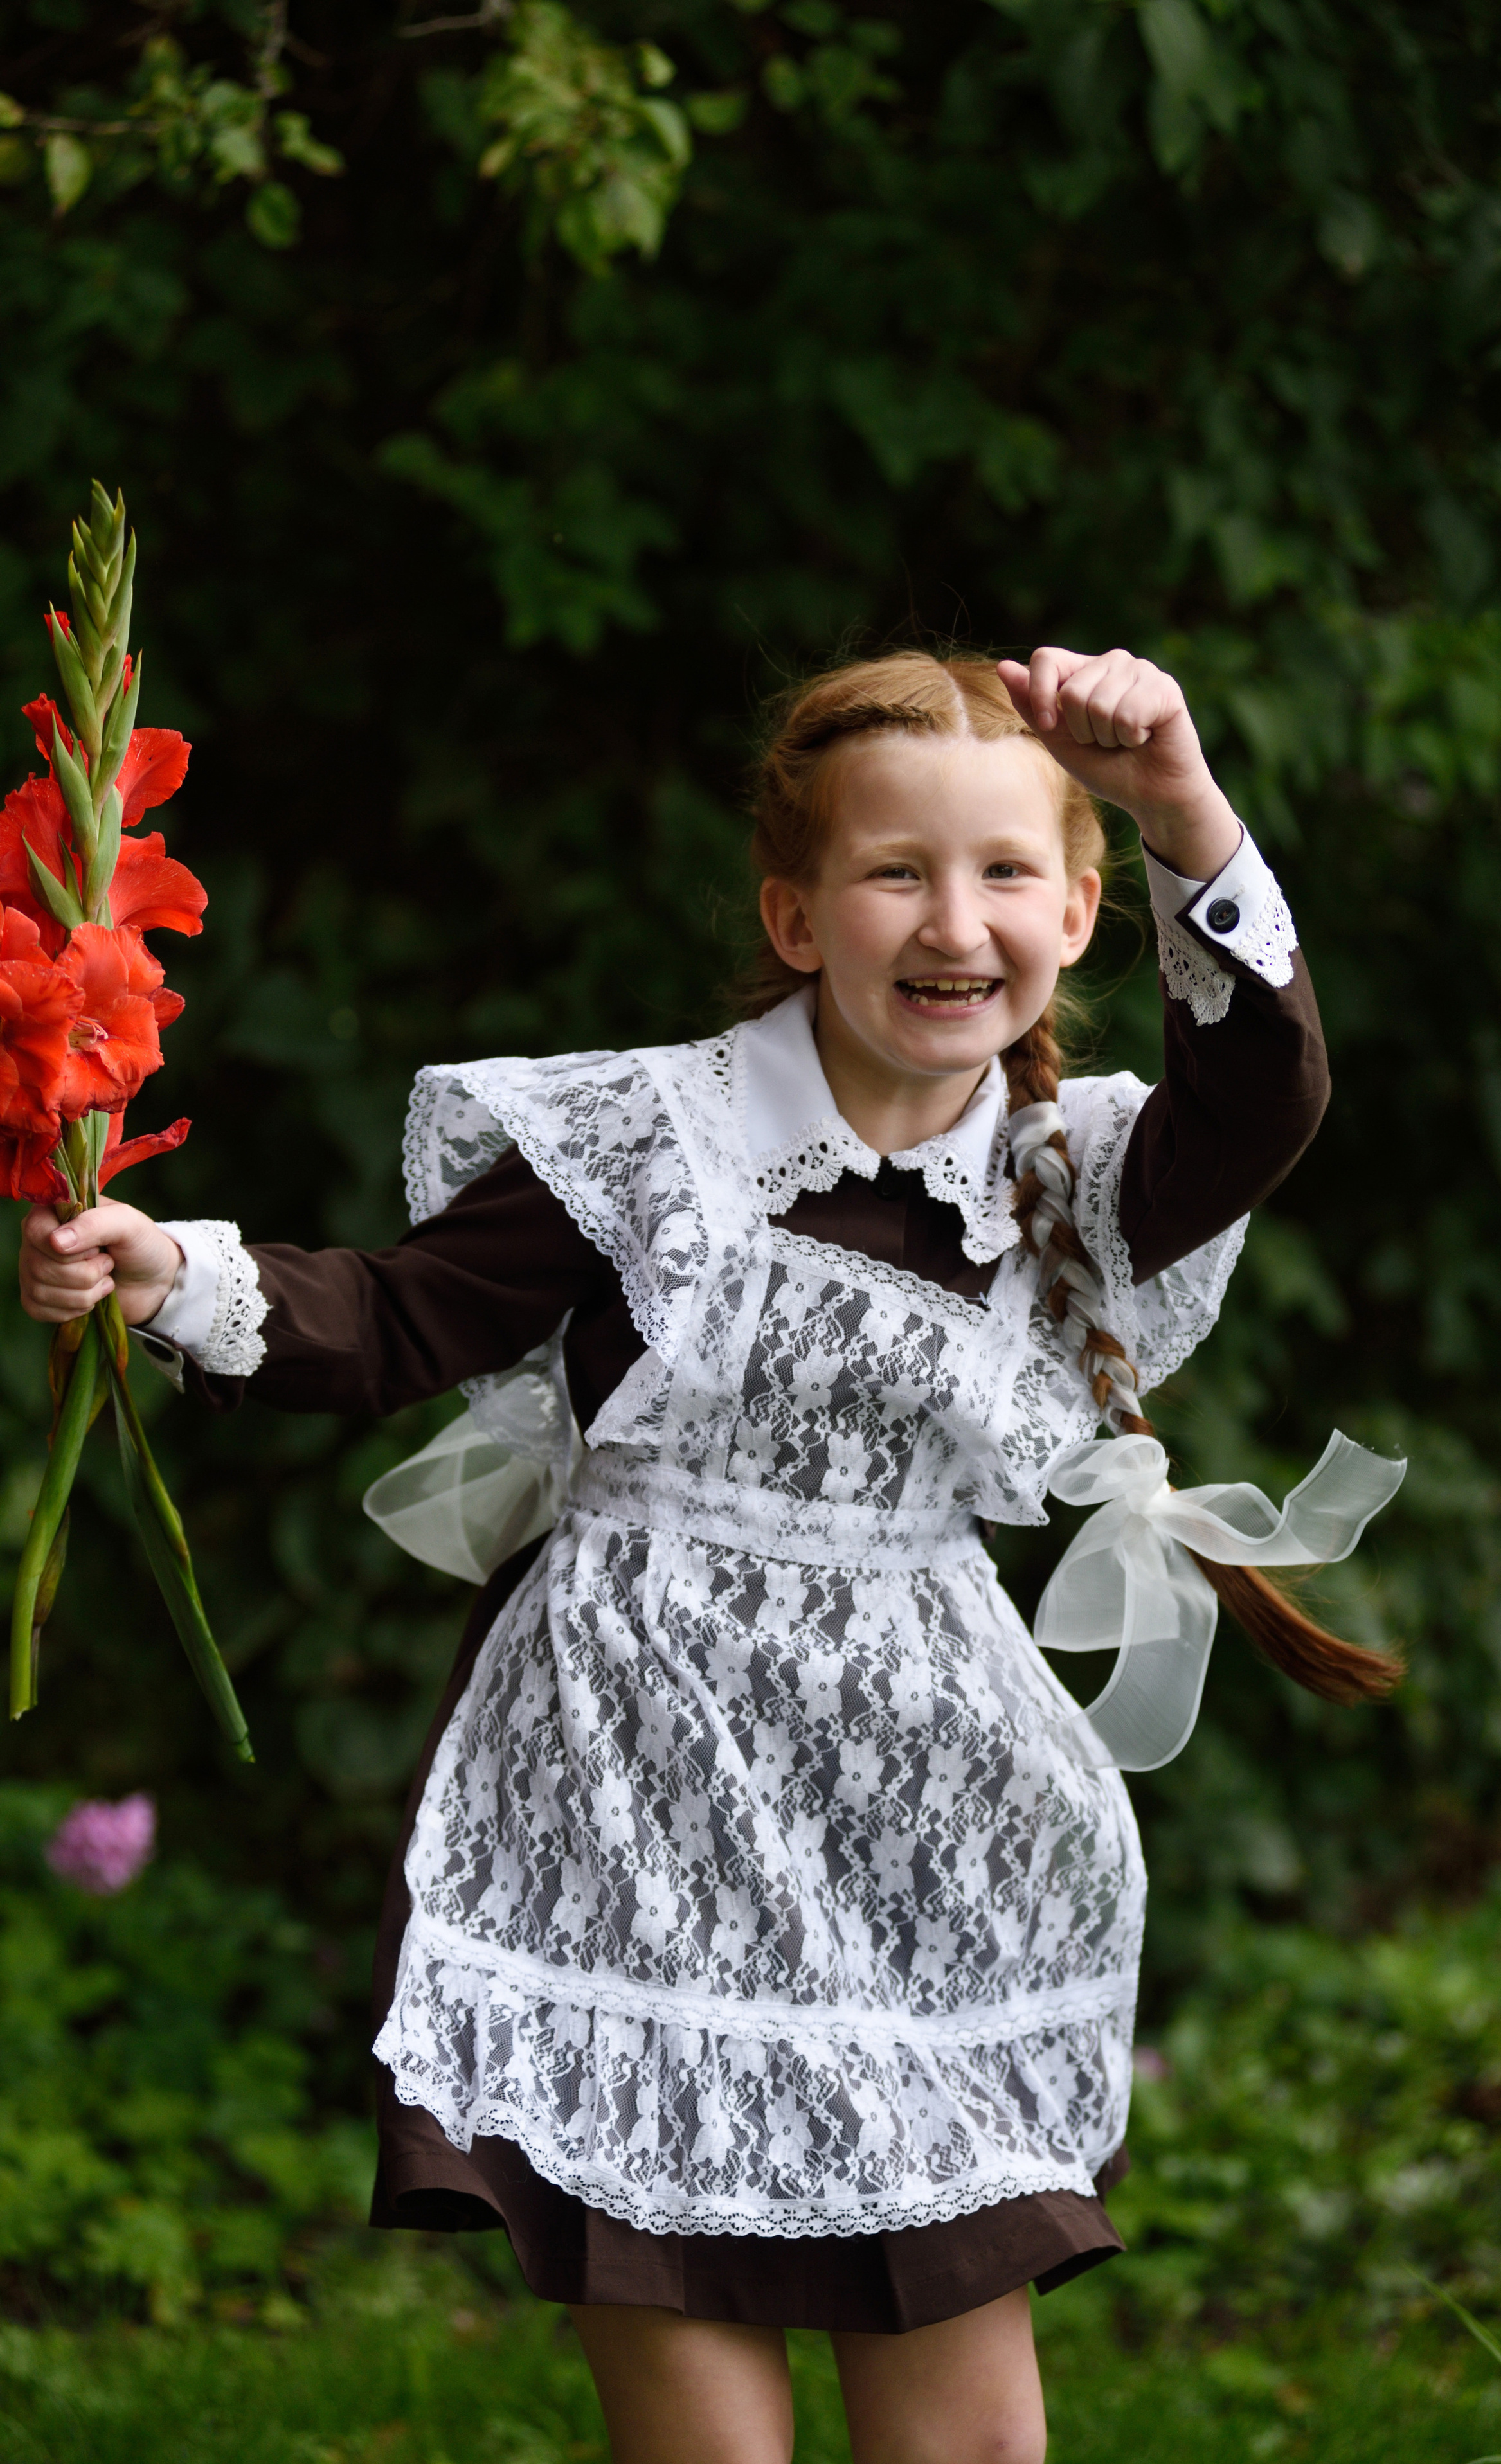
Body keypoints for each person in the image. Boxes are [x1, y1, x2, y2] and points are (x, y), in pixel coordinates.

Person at [21, 646, 1396, 2464]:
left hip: (921, 1801)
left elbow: (1268, 1092)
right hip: (634, 1785)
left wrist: (1179, 800)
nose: (952, 919)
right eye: (897, 870)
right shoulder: (650, 1147)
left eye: (1004, 874)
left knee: (975, 2436)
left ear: (1078, 908)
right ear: (797, 908)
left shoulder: (1072, 1177)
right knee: (709, 2444)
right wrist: (173, 1271)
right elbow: (399, 1317)